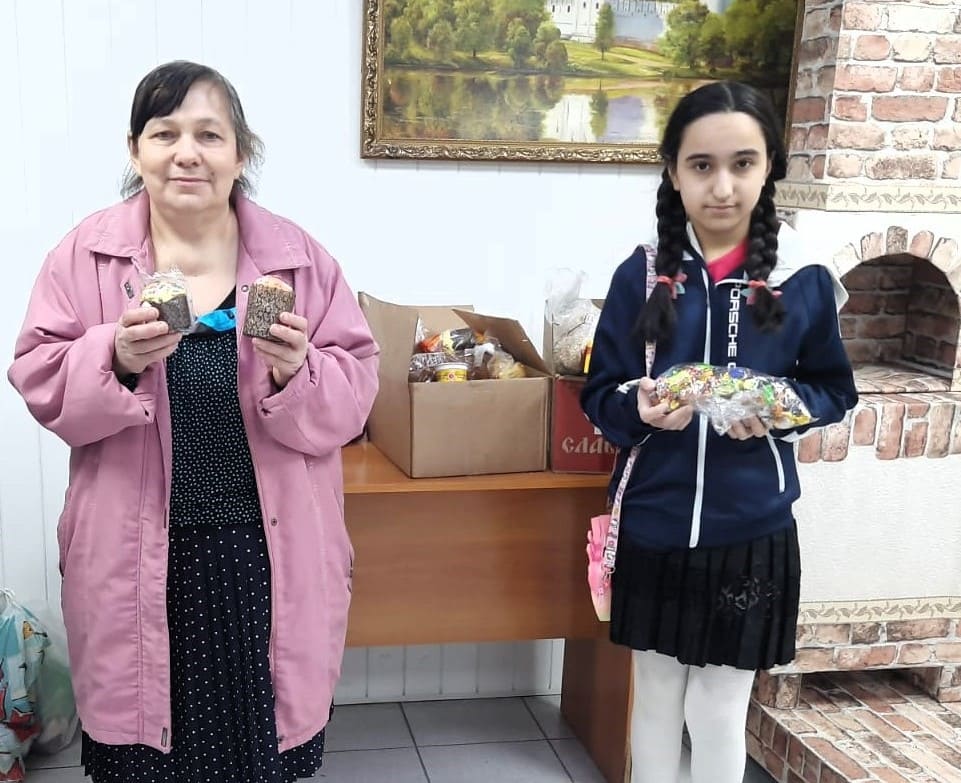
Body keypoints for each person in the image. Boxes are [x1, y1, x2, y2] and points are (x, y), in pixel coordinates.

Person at [8, 61, 379, 783]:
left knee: (257, 752)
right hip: (134, 555)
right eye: (164, 133)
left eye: (209, 134)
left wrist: (296, 372)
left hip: (262, 560)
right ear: (135, 150)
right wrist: (114, 357)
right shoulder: (84, 257)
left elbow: (355, 392)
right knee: (143, 753)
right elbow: (39, 377)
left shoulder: (298, 262)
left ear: (241, 153)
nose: (187, 152)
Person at [581, 81, 858, 783]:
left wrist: (780, 407)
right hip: (654, 522)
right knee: (654, 702)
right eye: (701, 165)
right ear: (673, 172)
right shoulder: (642, 273)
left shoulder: (802, 277)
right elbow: (600, 394)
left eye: (743, 163)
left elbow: (833, 390)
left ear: (769, 168)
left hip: (750, 531)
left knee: (716, 710)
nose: (723, 187)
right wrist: (640, 407)